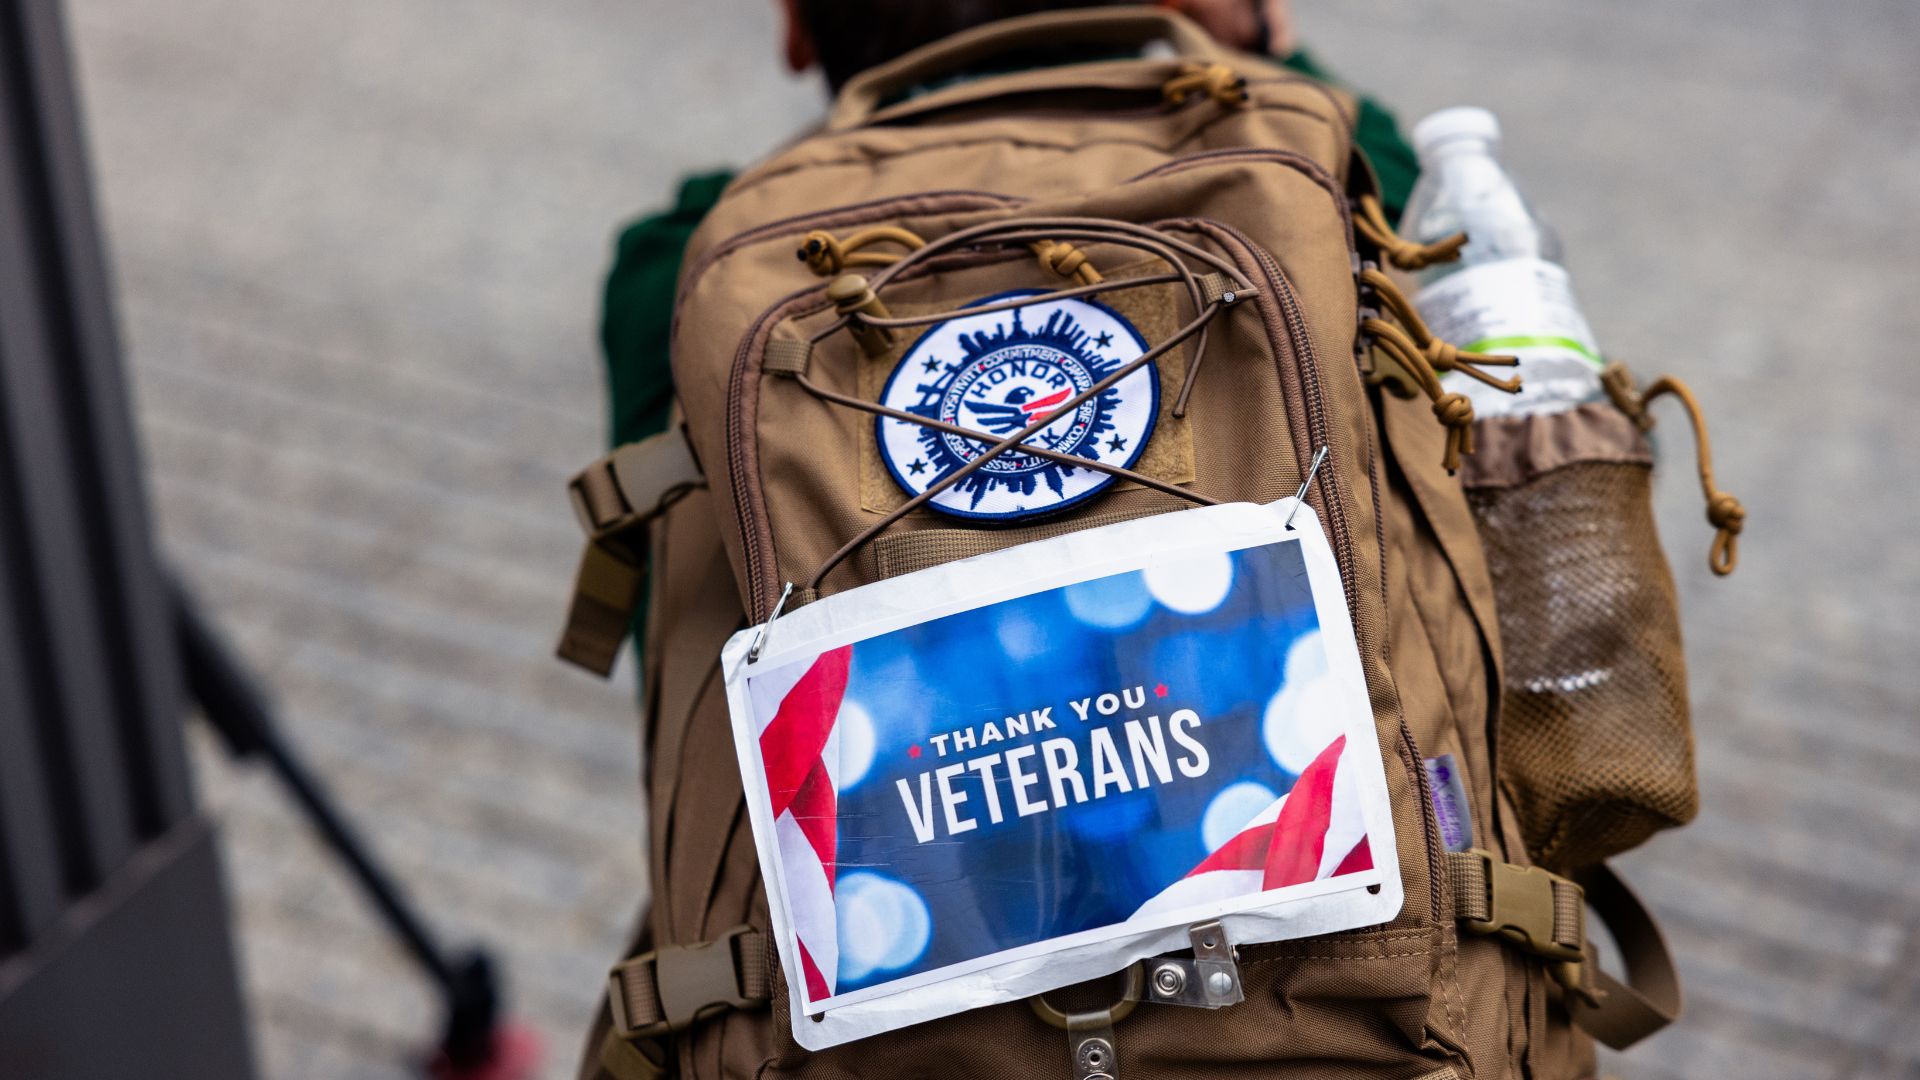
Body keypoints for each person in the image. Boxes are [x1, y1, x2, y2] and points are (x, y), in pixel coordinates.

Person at [600, 0, 1419, 483]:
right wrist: (1256, 42)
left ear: (796, 28)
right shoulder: (1319, 170)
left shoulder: (682, 262)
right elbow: (1337, 120)